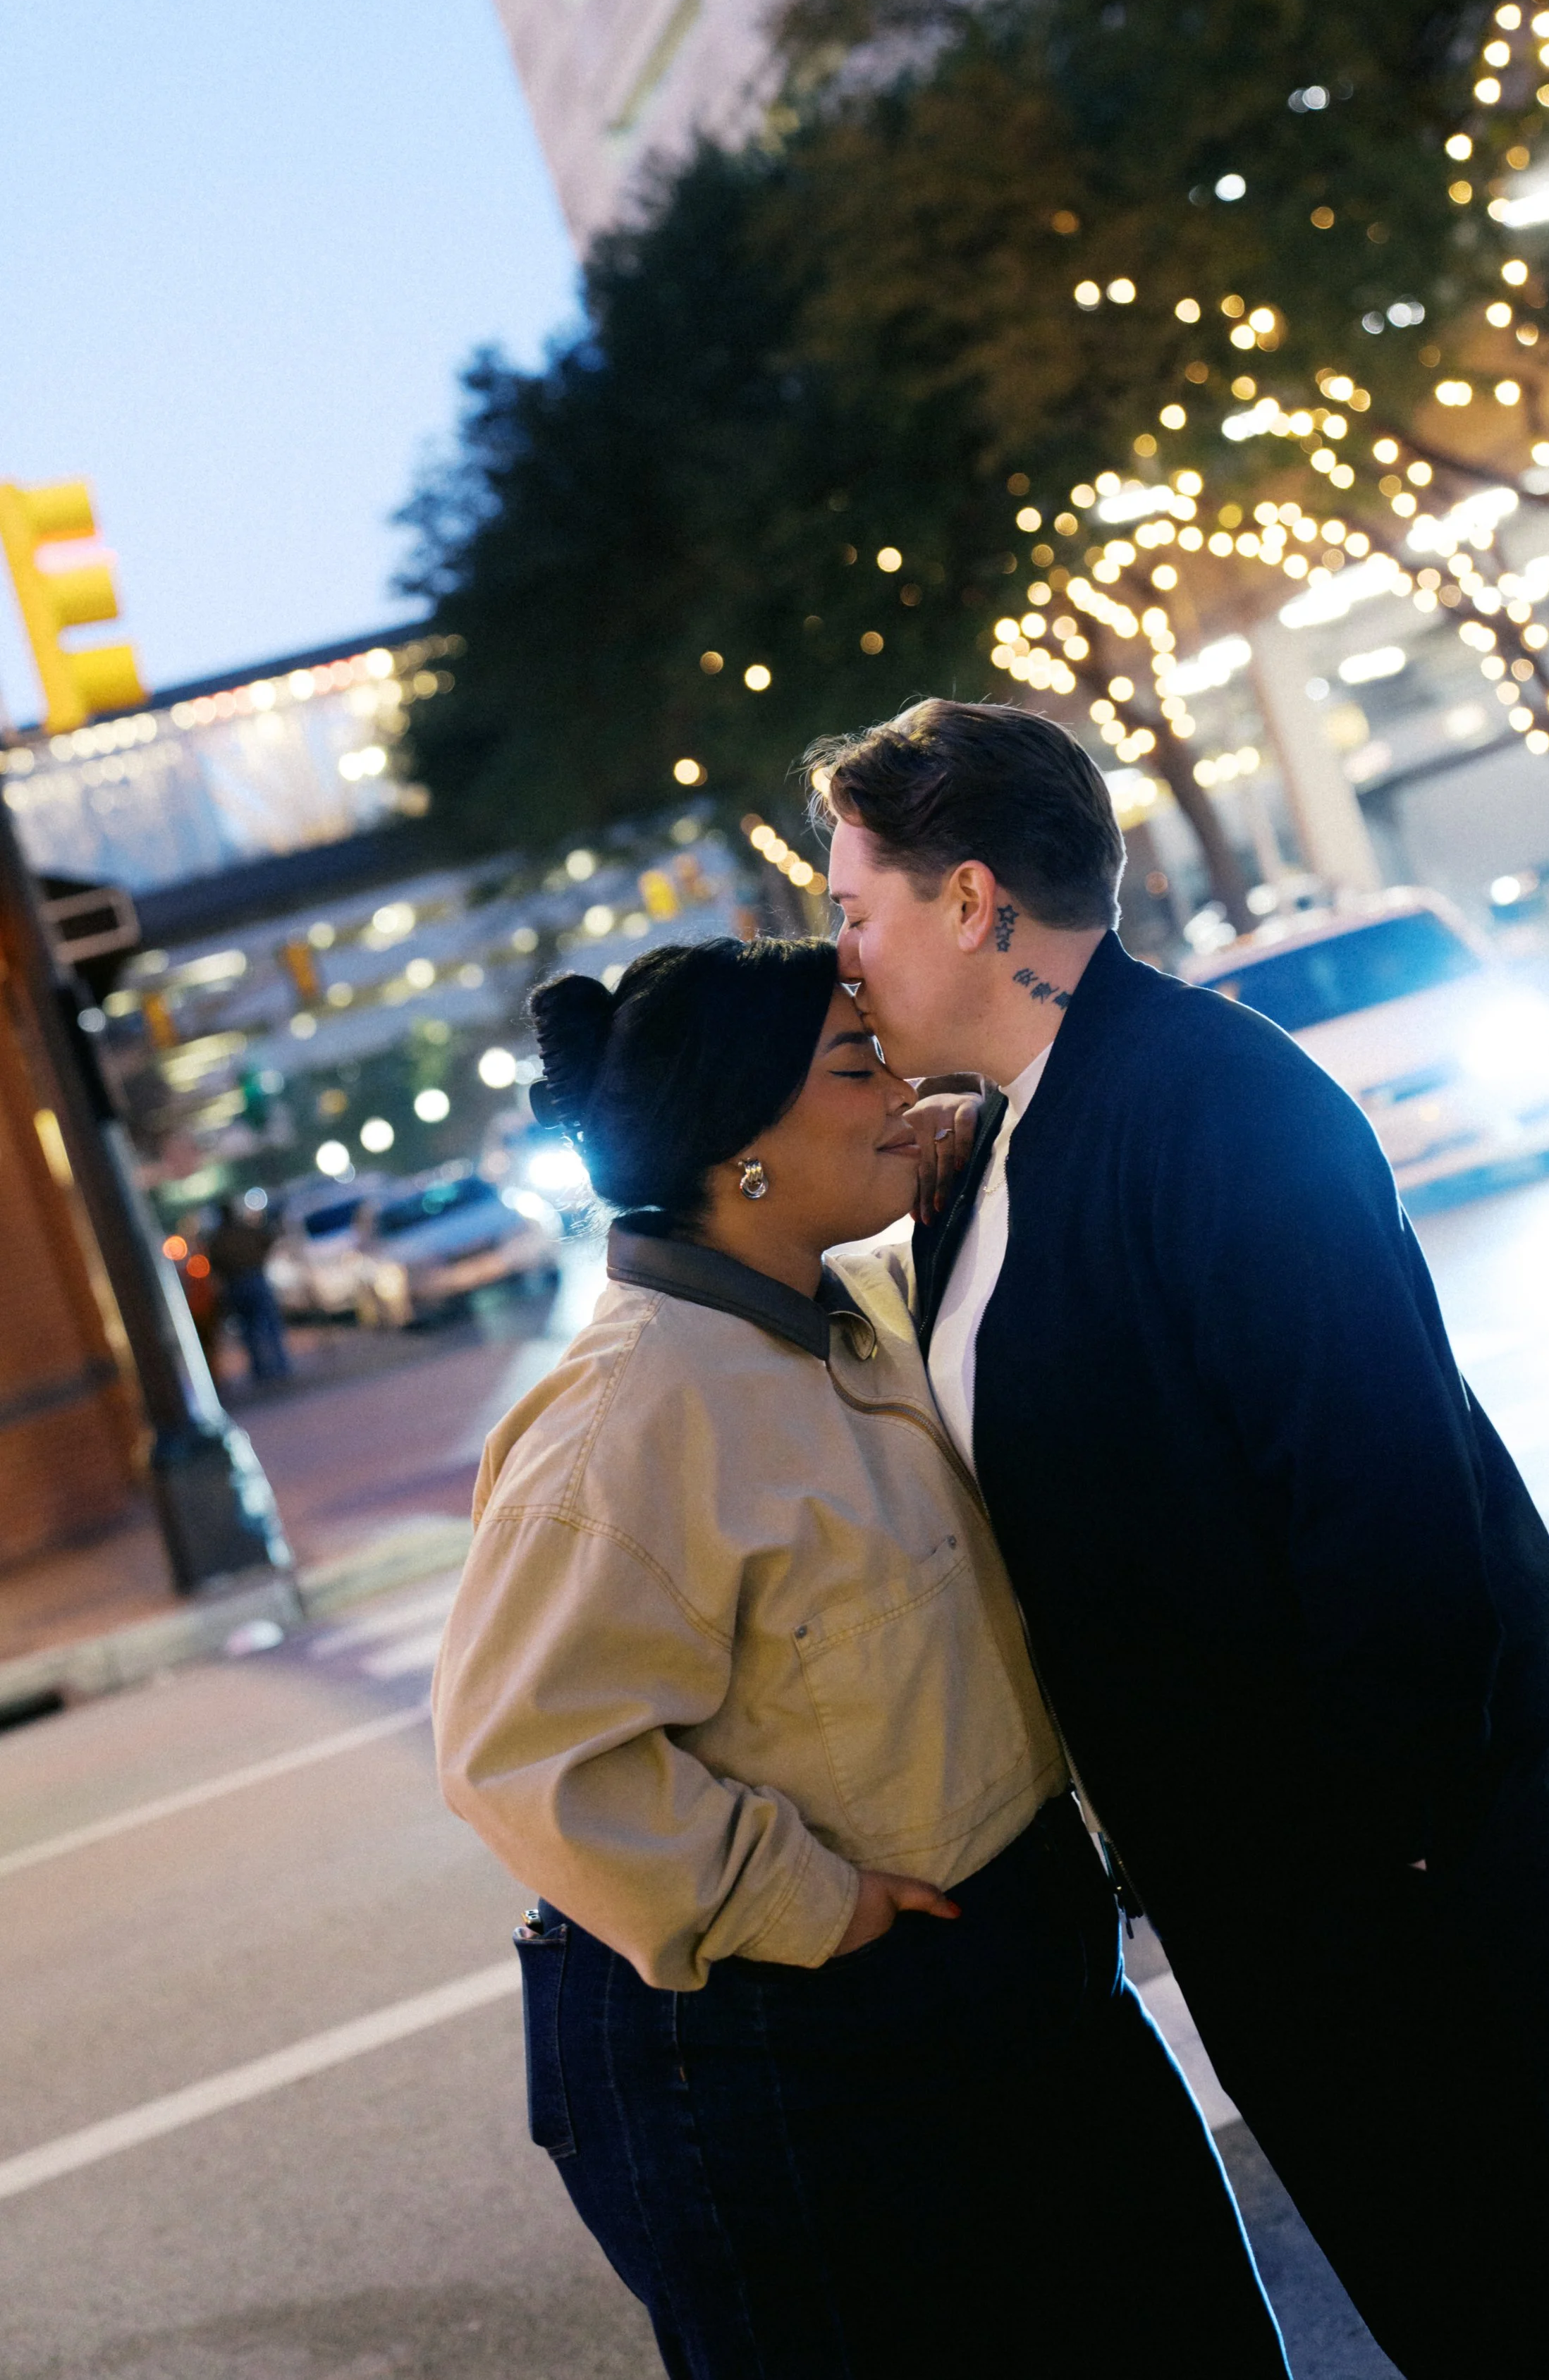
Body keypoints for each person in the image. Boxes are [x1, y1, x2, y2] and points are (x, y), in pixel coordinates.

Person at [812, 698, 1549, 2380]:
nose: (841, 958)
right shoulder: (1003, 1134)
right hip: (1269, 1873)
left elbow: (1387, 1507)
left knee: (1538, 2312)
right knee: (1461, 2306)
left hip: (1389, 1862)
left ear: (978, 899)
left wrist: (1394, 1873)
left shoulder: (1214, 1104)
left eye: (855, 909)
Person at [431, 936, 1287, 2380]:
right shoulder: (630, 1419)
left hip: (1015, 1986)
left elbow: (973, 1138)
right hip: (798, 2049)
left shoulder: (842, 1311)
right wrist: (810, 1905)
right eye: (853, 1066)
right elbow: (519, 1755)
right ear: (738, 1146)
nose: (899, 1085)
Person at [207, 1196, 290, 1383]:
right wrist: (259, 1260)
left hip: (236, 1285)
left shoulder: (218, 1239)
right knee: (270, 1325)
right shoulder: (244, 1231)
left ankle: (261, 1370)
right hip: (254, 1279)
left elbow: (214, 1264)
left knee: (249, 1329)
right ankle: (280, 1366)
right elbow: (267, 1240)